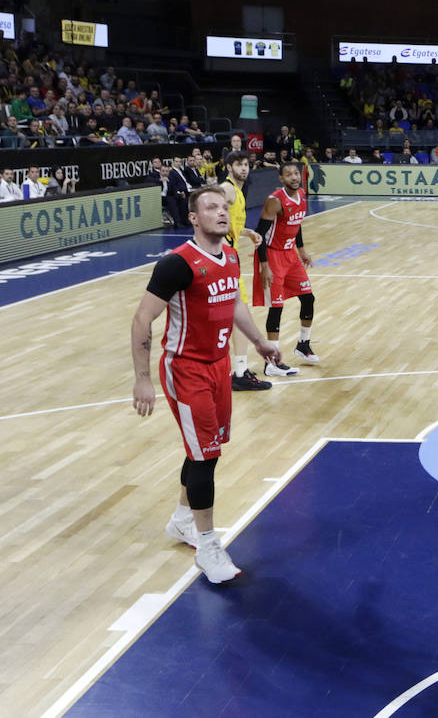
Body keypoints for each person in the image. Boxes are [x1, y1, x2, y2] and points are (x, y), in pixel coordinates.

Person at [129, 186, 282, 583]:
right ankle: (208, 546)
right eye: (210, 207)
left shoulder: (229, 255)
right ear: (193, 217)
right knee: (203, 457)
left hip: (218, 366)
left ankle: (182, 520)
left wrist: (259, 342)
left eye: (225, 207)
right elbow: (142, 319)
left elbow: (233, 304)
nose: (221, 212)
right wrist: (142, 378)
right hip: (185, 369)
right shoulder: (176, 264)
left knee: (207, 451)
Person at [252, 161, 320, 372]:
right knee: (276, 307)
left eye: (296, 173)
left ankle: (303, 345)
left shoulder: (301, 194)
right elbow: (259, 234)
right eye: (288, 174)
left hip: (290, 254)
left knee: (308, 297)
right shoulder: (275, 201)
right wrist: (264, 265)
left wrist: (301, 251)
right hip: (272, 255)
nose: (294, 176)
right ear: (281, 179)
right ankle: (271, 363)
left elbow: (296, 225)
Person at [217, 151, 273, 390]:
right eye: (239, 164)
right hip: (222, 256)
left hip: (228, 254)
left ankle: (235, 370)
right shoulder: (227, 189)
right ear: (229, 167)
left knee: (229, 316)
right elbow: (210, 209)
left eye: (246, 165)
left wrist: (247, 232)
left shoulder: (238, 192)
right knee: (238, 316)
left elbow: (231, 220)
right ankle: (239, 372)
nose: (244, 168)